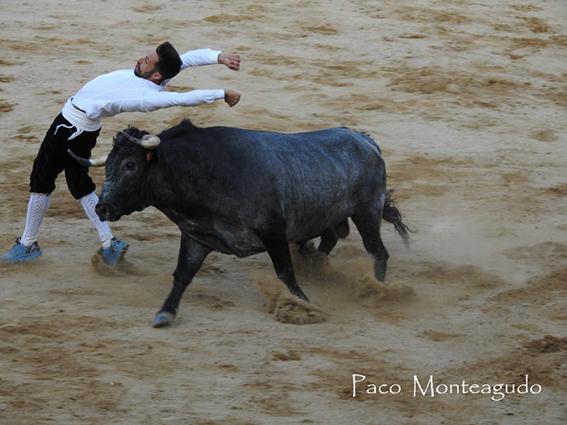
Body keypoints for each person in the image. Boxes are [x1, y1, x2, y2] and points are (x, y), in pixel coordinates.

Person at [0, 41, 241, 265]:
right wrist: (219, 57)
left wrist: (221, 94)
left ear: (156, 75)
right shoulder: (154, 77)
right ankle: (109, 243)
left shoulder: (146, 98)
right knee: (79, 182)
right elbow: (186, 59)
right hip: (82, 128)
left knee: (41, 181)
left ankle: (28, 243)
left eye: (146, 61)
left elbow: (182, 99)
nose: (139, 60)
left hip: (68, 128)